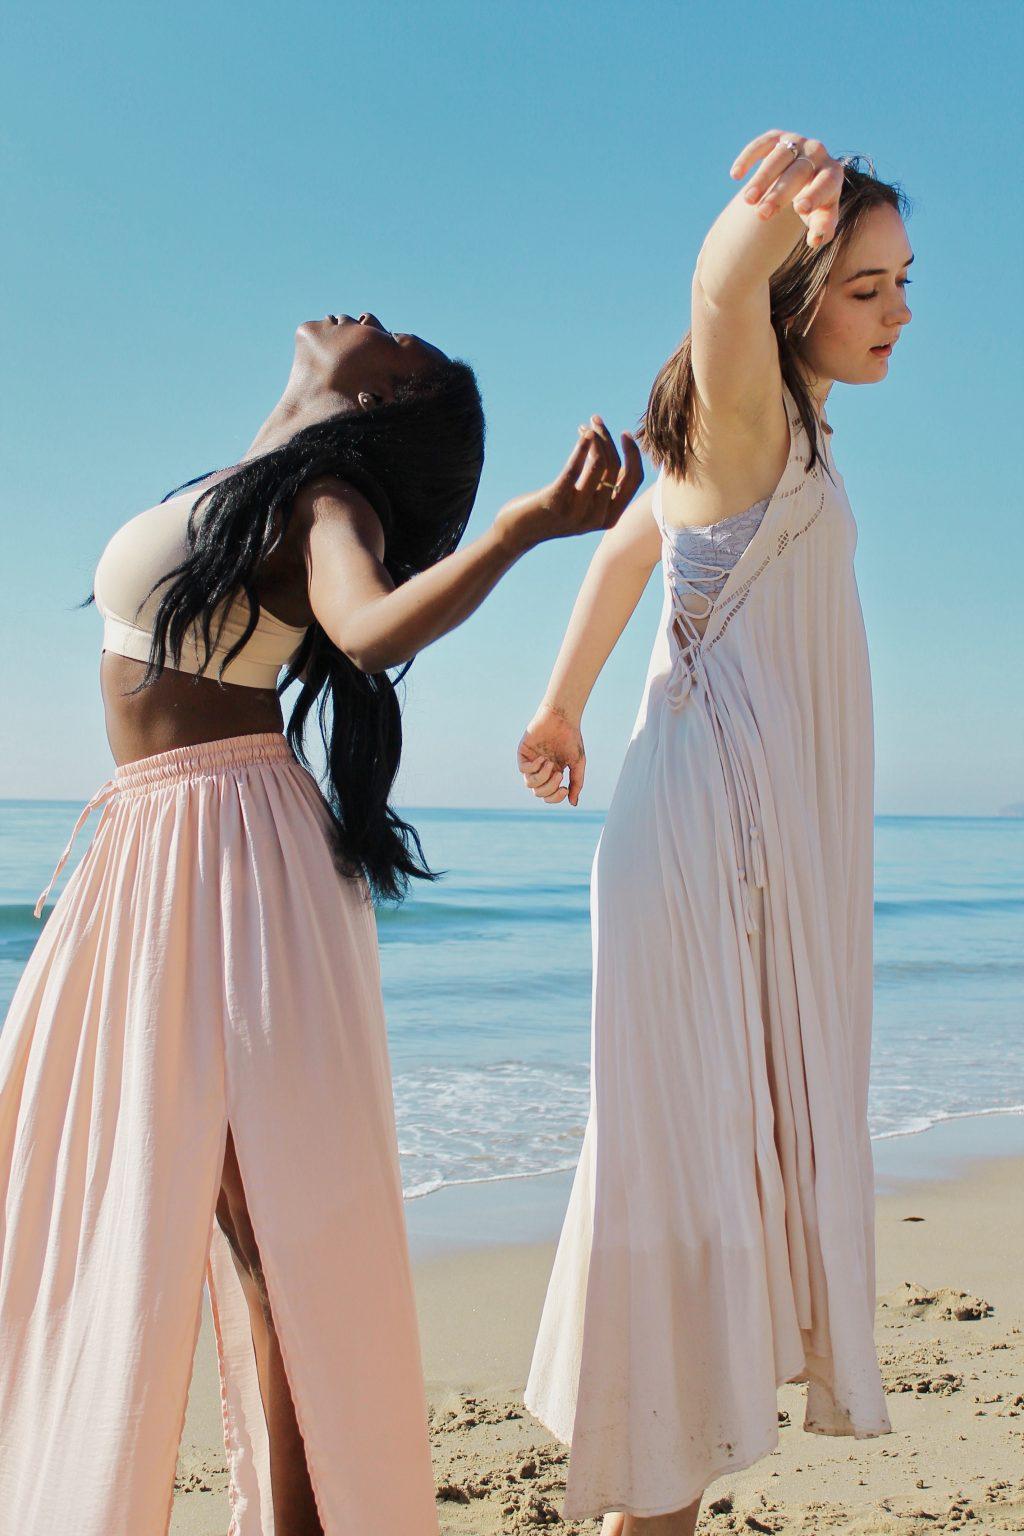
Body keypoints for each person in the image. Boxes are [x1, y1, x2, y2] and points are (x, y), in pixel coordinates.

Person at [0, 310, 642, 1536]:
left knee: (273, 1234)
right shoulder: (255, 483)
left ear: (376, 399)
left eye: (395, 340)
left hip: (230, 857)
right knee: (95, 1185)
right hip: (152, 847)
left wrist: (520, 529)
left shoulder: (326, 503)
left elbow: (368, 628)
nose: (370, 316)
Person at [517, 131, 912, 1534]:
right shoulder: (748, 409)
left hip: (717, 843)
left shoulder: (761, 440)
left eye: (902, 283)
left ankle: (656, 1502)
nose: (900, 312)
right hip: (702, 855)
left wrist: (562, 707)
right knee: (684, 1162)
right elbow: (710, 294)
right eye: (868, 287)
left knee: (696, 1159)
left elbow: (631, 545)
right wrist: (761, 218)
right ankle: (650, 1506)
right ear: (797, 297)